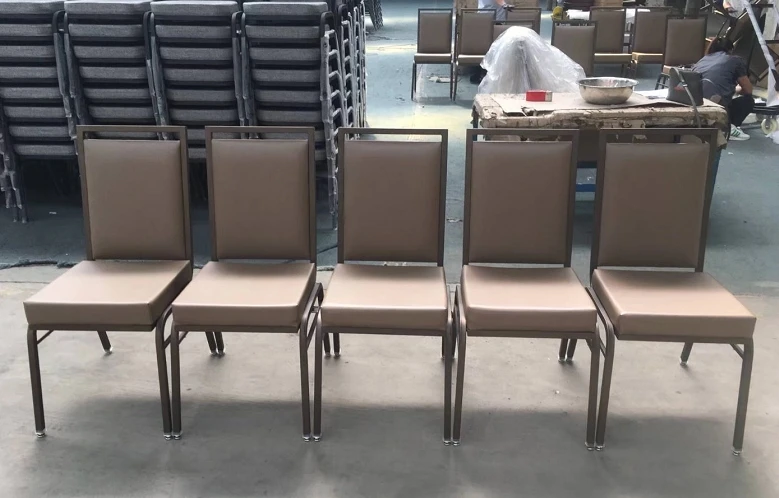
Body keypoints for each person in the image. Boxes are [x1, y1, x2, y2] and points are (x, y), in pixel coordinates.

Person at [692, 37, 755, 141]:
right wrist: (738, 90)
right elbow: (748, 90)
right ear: (730, 49)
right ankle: (728, 126)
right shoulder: (734, 60)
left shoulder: (702, 60)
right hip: (717, 105)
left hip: (696, 104)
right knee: (748, 100)